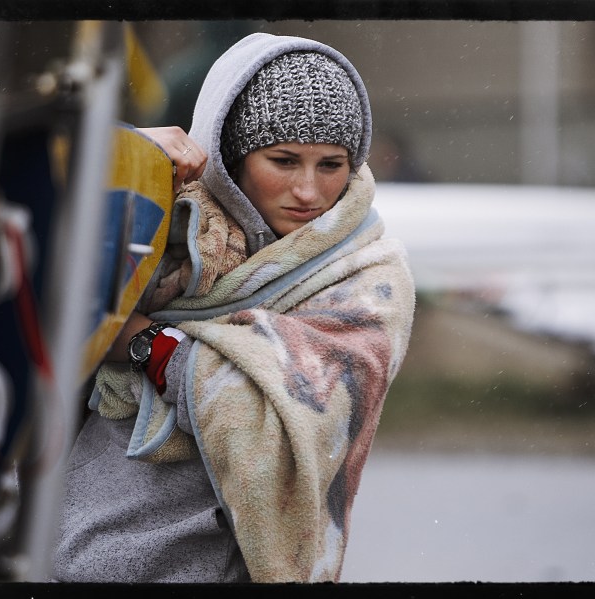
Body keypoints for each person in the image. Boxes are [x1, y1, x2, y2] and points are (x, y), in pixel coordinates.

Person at [53, 32, 416, 583]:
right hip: (69, 541)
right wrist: (119, 151)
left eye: (331, 164)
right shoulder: (164, 215)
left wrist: (142, 340)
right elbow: (32, 249)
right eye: (284, 160)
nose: (308, 190)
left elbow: (307, 410)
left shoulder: (367, 277)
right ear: (232, 158)